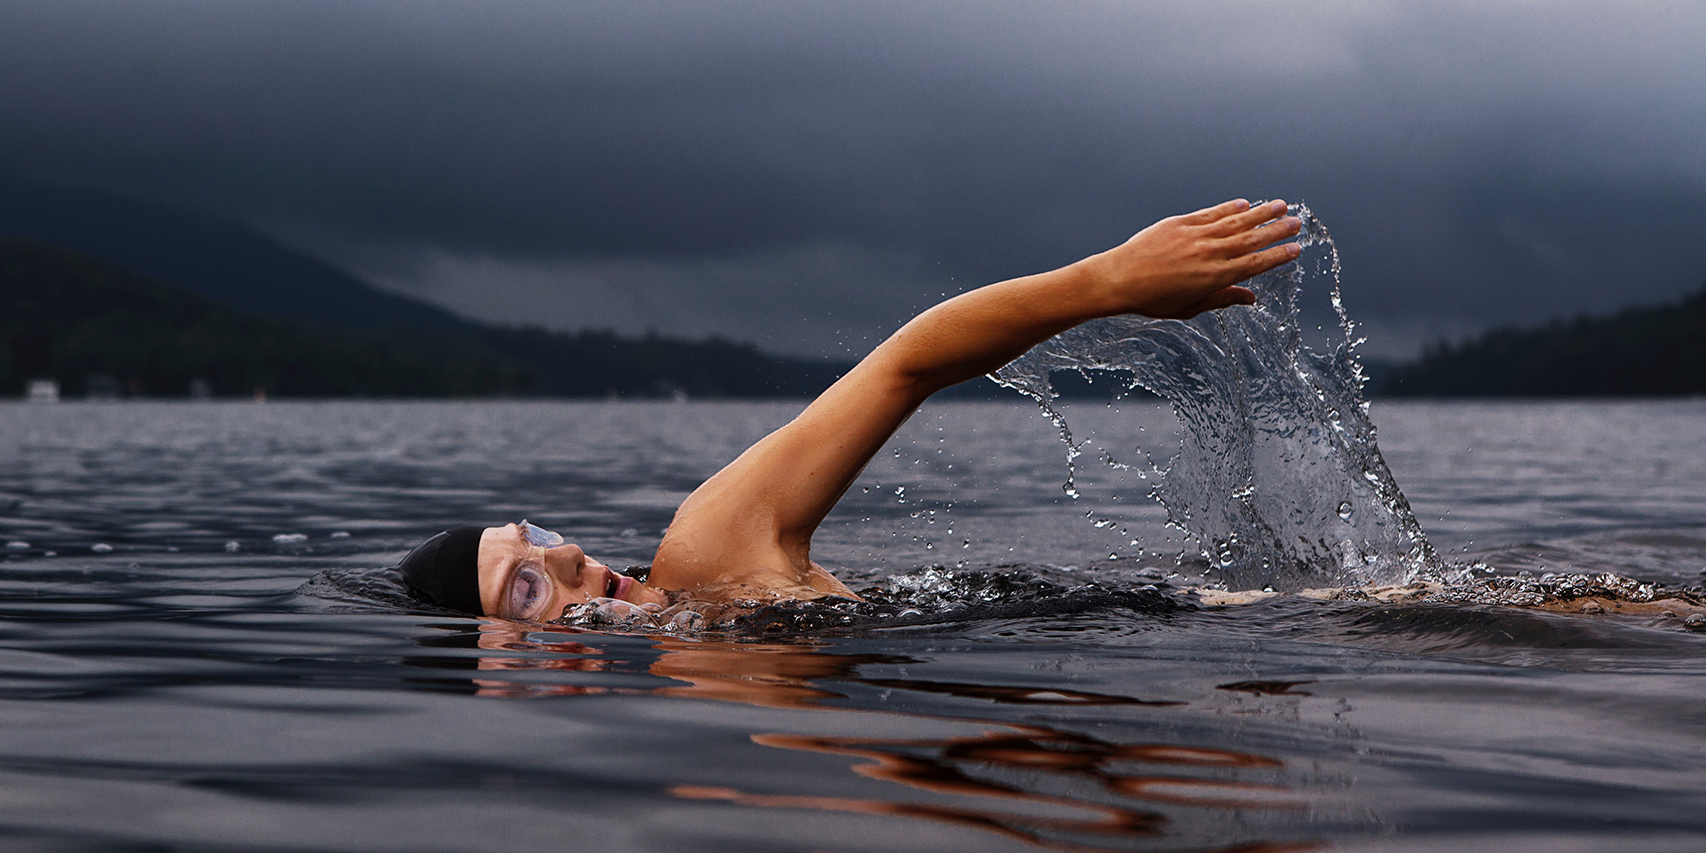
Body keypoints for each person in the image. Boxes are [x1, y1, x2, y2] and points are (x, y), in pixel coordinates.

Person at [396, 198, 1304, 622]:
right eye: (525, 586)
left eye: (537, 536)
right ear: (499, 669)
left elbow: (904, 366)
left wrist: (1106, 283)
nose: (567, 556)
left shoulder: (707, 555)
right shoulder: (699, 718)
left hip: (1255, 621)